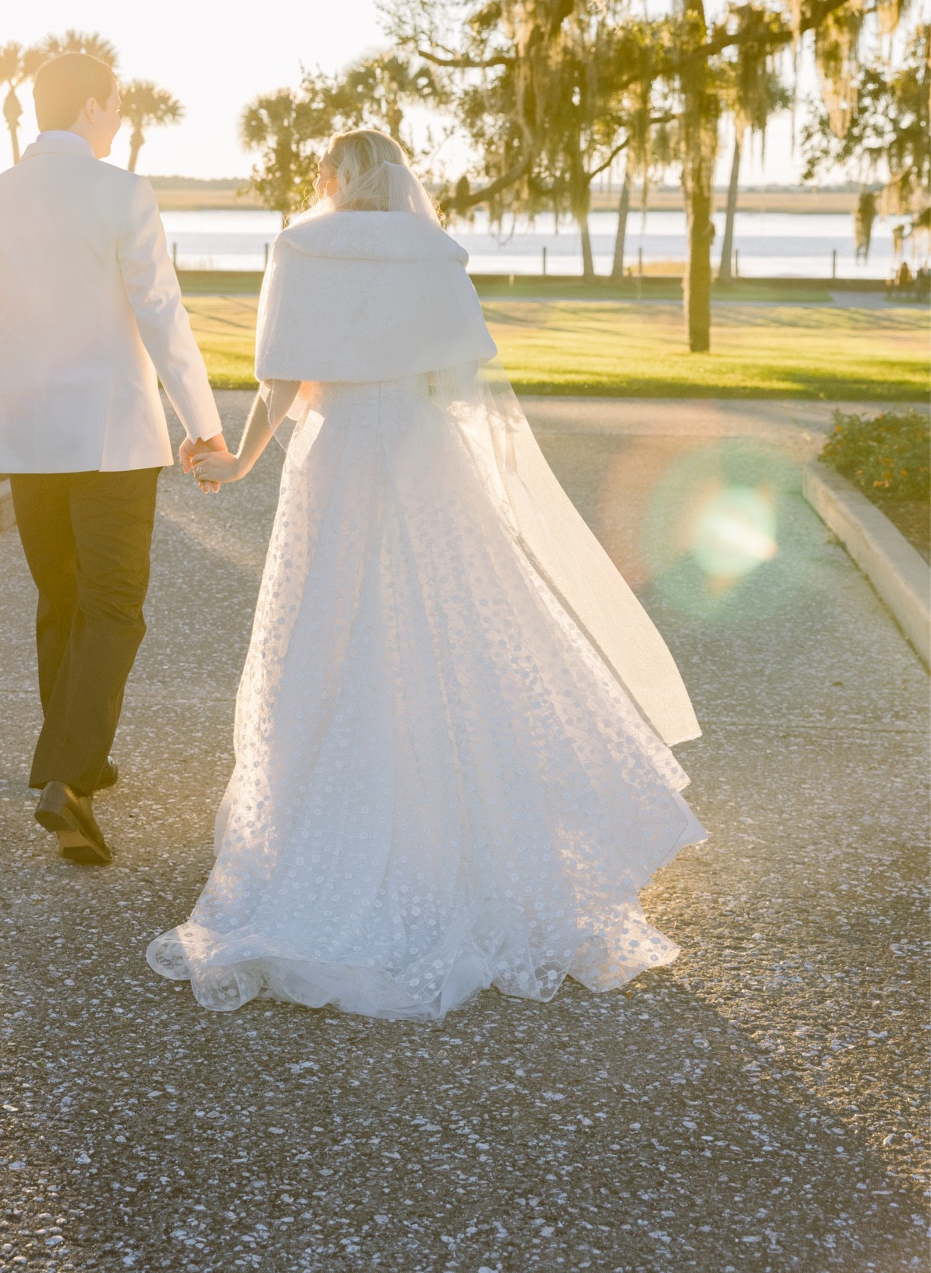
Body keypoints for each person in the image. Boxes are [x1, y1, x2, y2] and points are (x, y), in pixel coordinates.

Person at [148, 129, 706, 1022]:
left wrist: (241, 461)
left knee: (333, 627)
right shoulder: (432, 249)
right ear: (397, 180)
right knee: (449, 631)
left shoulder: (300, 245)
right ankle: (462, 838)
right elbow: (458, 381)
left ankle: (323, 836)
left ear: (332, 177)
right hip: (420, 451)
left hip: (337, 457)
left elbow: (283, 379)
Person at [0, 50, 226, 868]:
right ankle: (68, 780)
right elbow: (162, 315)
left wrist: (3, 420)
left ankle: (79, 763)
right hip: (112, 441)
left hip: (28, 442)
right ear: (94, 108)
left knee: (62, 603)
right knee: (114, 607)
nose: (118, 119)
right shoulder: (122, 192)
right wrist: (204, 426)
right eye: (116, 106)